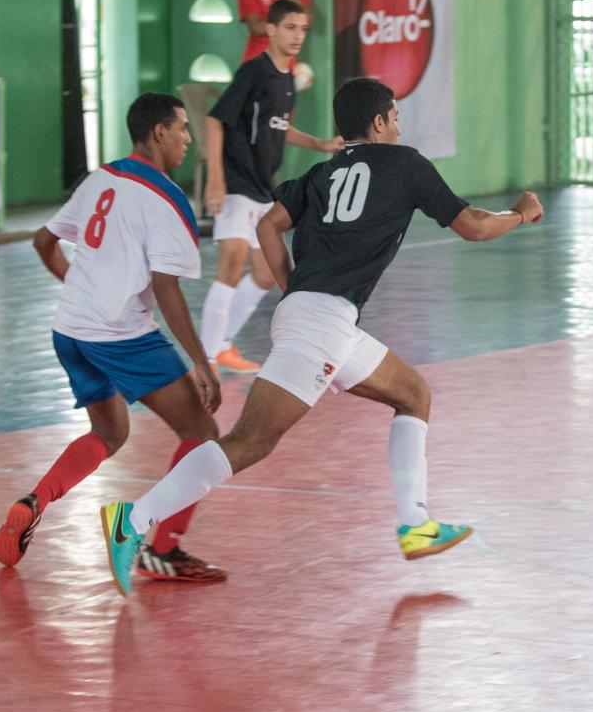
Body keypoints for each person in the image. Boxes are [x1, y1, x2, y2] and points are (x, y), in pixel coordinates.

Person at [97, 77, 545, 597]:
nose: (399, 126)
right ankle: (133, 520)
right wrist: (520, 213)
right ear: (378, 123)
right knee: (250, 440)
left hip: (322, 320)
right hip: (322, 324)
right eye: (395, 116)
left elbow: (268, 225)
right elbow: (471, 225)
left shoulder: (322, 173)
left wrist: (294, 292)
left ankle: (416, 523)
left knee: (413, 394)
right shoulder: (406, 165)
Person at [0, 92, 229, 584]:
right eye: (182, 128)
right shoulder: (166, 198)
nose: (188, 138)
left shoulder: (101, 177)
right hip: (120, 337)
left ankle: (36, 499)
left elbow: (43, 241)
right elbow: (166, 289)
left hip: (70, 331)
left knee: (109, 433)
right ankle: (162, 549)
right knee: (203, 435)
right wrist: (201, 362)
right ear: (158, 132)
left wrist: (85, 290)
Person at [199, 0, 341, 374]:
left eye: (303, 29)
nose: (298, 36)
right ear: (271, 30)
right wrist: (216, 179)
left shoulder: (287, 81)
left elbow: (278, 128)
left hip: (264, 188)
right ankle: (206, 358)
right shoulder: (254, 72)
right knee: (231, 264)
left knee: (265, 273)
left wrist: (321, 144)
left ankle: (222, 345)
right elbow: (216, 121)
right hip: (237, 183)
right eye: (291, 27)